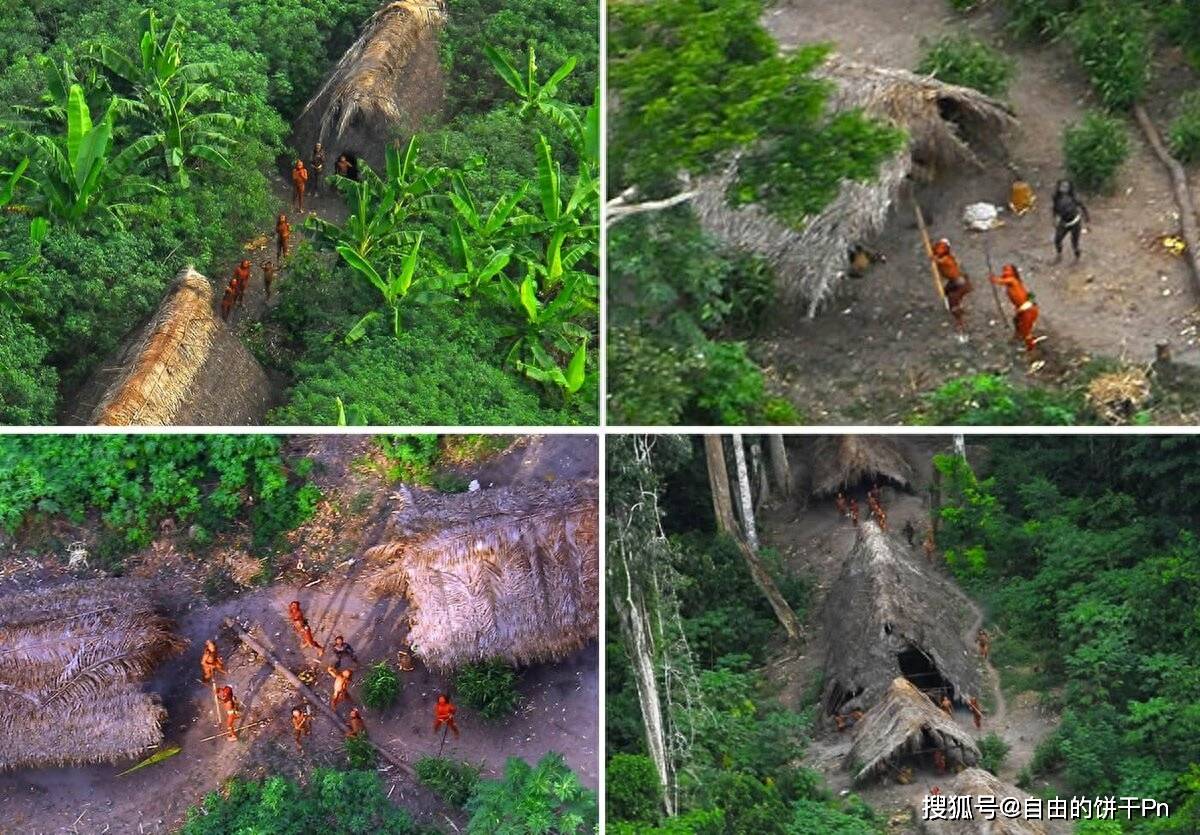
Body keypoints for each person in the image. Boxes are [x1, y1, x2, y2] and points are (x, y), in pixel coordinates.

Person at [989, 264, 1039, 352]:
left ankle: (1031, 349)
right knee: (1016, 321)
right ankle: (1017, 338)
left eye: (1007, 270)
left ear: (1013, 272)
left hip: (1028, 309)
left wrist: (994, 279)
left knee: (1026, 332)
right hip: (1022, 309)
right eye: (1004, 270)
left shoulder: (1012, 280)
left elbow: (1000, 281)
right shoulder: (1009, 281)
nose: (1005, 272)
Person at [932, 239, 972, 342]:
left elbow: (939, 261)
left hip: (958, 282)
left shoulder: (947, 259)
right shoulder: (943, 257)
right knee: (947, 293)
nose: (939, 249)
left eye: (942, 247)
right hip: (954, 281)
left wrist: (934, 259)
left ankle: (961, 327)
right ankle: (952, 308)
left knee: (954, 303)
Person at [1052, 179, 1089, 263]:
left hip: (1075, 222)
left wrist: (1087, 220)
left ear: (1069, 188)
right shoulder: (1056, 197)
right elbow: (1054, 209)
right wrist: (1054, 218)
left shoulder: (1074, 197)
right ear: (1058, 187)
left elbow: (1083, 207)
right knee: (1057, 239)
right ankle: (1059, 255)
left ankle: (1077, 257)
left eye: (1066, 187)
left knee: (1074, 243)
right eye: (1062, 186)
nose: (1063, 188)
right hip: (1064, 222)